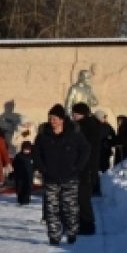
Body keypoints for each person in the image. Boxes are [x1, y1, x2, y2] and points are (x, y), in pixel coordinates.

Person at [33, 103, 90, 245]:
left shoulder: (73, 134)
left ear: (62, 119)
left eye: (55, 118)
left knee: (70, 207)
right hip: (50, 177)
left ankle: (71, 232)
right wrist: (42, 168)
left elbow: (85, 150)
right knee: (51, 208)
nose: (52, 121)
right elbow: (36, 153)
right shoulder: (43, 135)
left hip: (69, 177)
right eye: (50, 118)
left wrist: (77, 167)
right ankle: (54, 235)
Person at [70, 102, 103, 234]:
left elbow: (85, 147)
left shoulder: (86, 126)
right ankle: (83, 224)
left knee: (83, 198)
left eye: (75, 114)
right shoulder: (88, 125)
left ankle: (87, 226)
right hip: (87, 167)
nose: (73, 116)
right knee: (80, 197)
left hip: (86, 167)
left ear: (82, 114)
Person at [12, 141, 35, 205]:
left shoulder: (32, 156)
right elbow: (14, 163)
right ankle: (20, 199)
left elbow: (35, 164)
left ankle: (27, 199)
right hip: (20, 175)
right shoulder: (19, 156)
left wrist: (34, 169)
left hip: (29, 174)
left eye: (28, 149)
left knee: (28, 187)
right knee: (20, 187)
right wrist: (15, 170)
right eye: (25, 149)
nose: (26, 151)